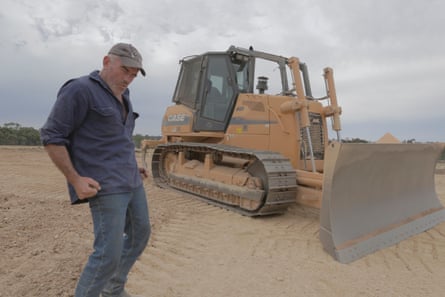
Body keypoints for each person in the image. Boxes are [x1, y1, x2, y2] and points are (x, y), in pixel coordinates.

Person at [40, 43, 151, 297]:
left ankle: (113, 289)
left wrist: (134, 164)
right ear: (106, 61)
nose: (128, 79)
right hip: (105, 185)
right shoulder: (79, 90)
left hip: (131, 180)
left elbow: (120, 136)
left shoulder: (124, 95)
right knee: (107, 255)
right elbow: (52, 136)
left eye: (134, 75)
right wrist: (75, 179)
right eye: (125, 71)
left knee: (140, 234)